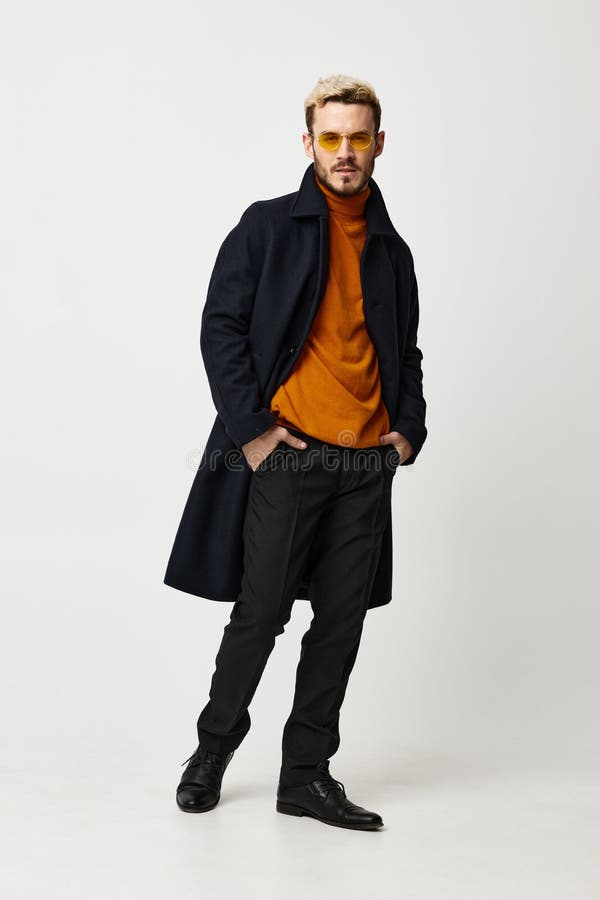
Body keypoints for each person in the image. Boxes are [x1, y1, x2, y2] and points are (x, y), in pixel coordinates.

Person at [168, 74, 427, 830]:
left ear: (379, 144)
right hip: (290, 453)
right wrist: (252, 428)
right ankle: (212, 750)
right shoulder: (267, 226)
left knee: (341, 622)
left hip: (365, 464)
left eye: (359, 138)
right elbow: (221, 327)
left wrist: (407, 430)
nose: (345, 152)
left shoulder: (392, 250)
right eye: (331, 137)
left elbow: (405, 353)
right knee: (261, 613)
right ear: (308, 142)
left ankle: (306, 777)